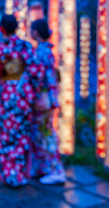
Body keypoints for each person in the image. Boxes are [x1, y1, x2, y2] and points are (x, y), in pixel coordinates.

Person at [0, 15, 45, 187]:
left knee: (6, 136)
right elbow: (36, 70)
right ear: (16, 28)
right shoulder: (25, 46)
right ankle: (19, 175)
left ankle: (8, 174)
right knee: (21, 135)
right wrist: (32, 90)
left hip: (6, 98)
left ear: (2, 30)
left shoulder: (0, 49)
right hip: (23, 99)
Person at [30, 19, 66, 184]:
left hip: (43, 99)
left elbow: (39, 77)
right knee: (41, 134)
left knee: (46, 134)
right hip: (45, 98)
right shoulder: (44, 51)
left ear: (36, 32)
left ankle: (56, 170)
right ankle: (43, 168)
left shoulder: (41, 53)